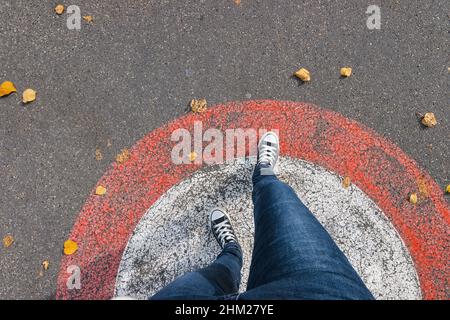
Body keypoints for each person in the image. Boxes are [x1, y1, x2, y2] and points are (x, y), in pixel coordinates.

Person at [151, 132, 374, 300]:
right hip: (322, 290)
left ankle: (231, 252)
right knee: (276, 193)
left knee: (218, 273)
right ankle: (263, 171)